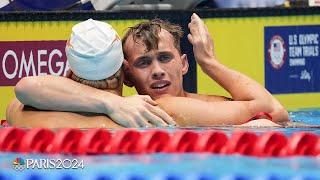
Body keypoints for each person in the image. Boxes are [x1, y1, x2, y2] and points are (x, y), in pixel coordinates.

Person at [7, 14, 289, 128]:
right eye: (143, 63)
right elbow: (275, 112)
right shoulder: (161, 108)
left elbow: (20, 98)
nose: (156, 71)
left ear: (183, 63)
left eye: (165, 58)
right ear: (127, 75)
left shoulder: (202, 103)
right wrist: (210, 63)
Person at [6, 19, 175, 128]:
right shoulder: (156, 114)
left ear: (69, 75)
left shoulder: (24, 116)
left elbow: (26, 88)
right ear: (125, 71)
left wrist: (109, 103)